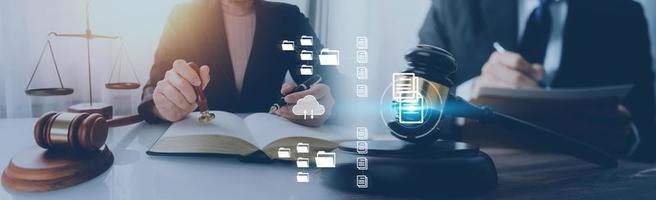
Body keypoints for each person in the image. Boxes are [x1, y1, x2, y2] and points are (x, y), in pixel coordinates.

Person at [419, 0, 655, 160]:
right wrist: (470, 94)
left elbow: (645, 125)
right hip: (474, 179)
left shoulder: (624, 15)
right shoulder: (454, 5)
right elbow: (413, 107)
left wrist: (626, 136)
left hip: (581, 181)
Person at [138, 0, 343, 127]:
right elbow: (154, 88)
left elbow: (332, 83)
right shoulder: (183, 16)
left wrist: (327, 103)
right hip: (200, 152)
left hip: (270, 154)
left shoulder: (289, 18)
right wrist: (163, 106)